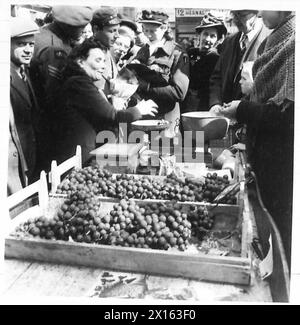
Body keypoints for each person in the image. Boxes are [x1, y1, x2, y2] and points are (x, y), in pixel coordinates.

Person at [217, 11, 295, 268]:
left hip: (282, 170)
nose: (259, 11)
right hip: (264, 160)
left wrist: (242, 109)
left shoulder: (293, 44)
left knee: (282, 247)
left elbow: (287, 118)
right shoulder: (277, 39)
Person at [53, 39, 158, 165]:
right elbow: (113, 116)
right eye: (98, 60)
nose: (103, 66)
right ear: (80, 62)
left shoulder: (79, 81)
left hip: (81, 152)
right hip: (78, 155)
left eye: (104, 61)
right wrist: (140, 109)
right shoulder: (79, 83)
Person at [29, 5, 93, 172]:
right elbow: (55, 94)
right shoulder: (53, 48)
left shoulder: (46, 34)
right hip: (52, 126)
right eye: (80, 27)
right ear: (67, 26)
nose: (83, 31)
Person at [128, 10, 190, 138]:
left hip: (166, 121)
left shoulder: (177, 53)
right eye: (145, 30)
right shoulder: (141, 51)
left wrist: (147, 87)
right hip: (142, 119)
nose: (148, 35)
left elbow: (179, 92)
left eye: (152, 31)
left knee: (165, 156)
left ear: (164, 28)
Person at [209, 10, 271, 114]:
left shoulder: (270, 39)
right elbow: (217, 77)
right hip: (225, 118)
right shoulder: (229, 41)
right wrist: (215, 103)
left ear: (257, 13)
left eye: (242, 15)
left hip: (252, 118)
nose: (236, 20)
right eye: (234, 14)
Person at [9, 17, 40, 195]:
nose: (28, 50)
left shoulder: (24, 71)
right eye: (22, 44)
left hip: (29, 155)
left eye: (31, 44)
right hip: (14, 163)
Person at [183, 13, 227, 112]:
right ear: (199, 35)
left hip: (205, 107)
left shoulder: (217, 59)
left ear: (218, 40)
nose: (207, 39)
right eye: (205, 34)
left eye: (212, 36)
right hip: (186, 105)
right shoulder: (189, 53)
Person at [91, 7, 121, 92]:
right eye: (112, 31)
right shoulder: (88, 54)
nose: (117, 35)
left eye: (118, 31)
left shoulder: (109, 49)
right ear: (96, 29)